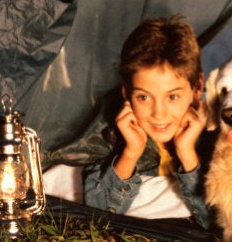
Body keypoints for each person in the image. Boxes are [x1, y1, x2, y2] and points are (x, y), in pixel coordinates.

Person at [81, 14, 214, 229]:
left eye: (173, 97)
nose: (158, 114)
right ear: (126, 91)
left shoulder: (215, 133)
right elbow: (98, 216)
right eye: (143, 97)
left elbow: (221, 222)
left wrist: (187, 153)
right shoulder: (109, 132)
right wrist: (132, 152)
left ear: (197, 87)